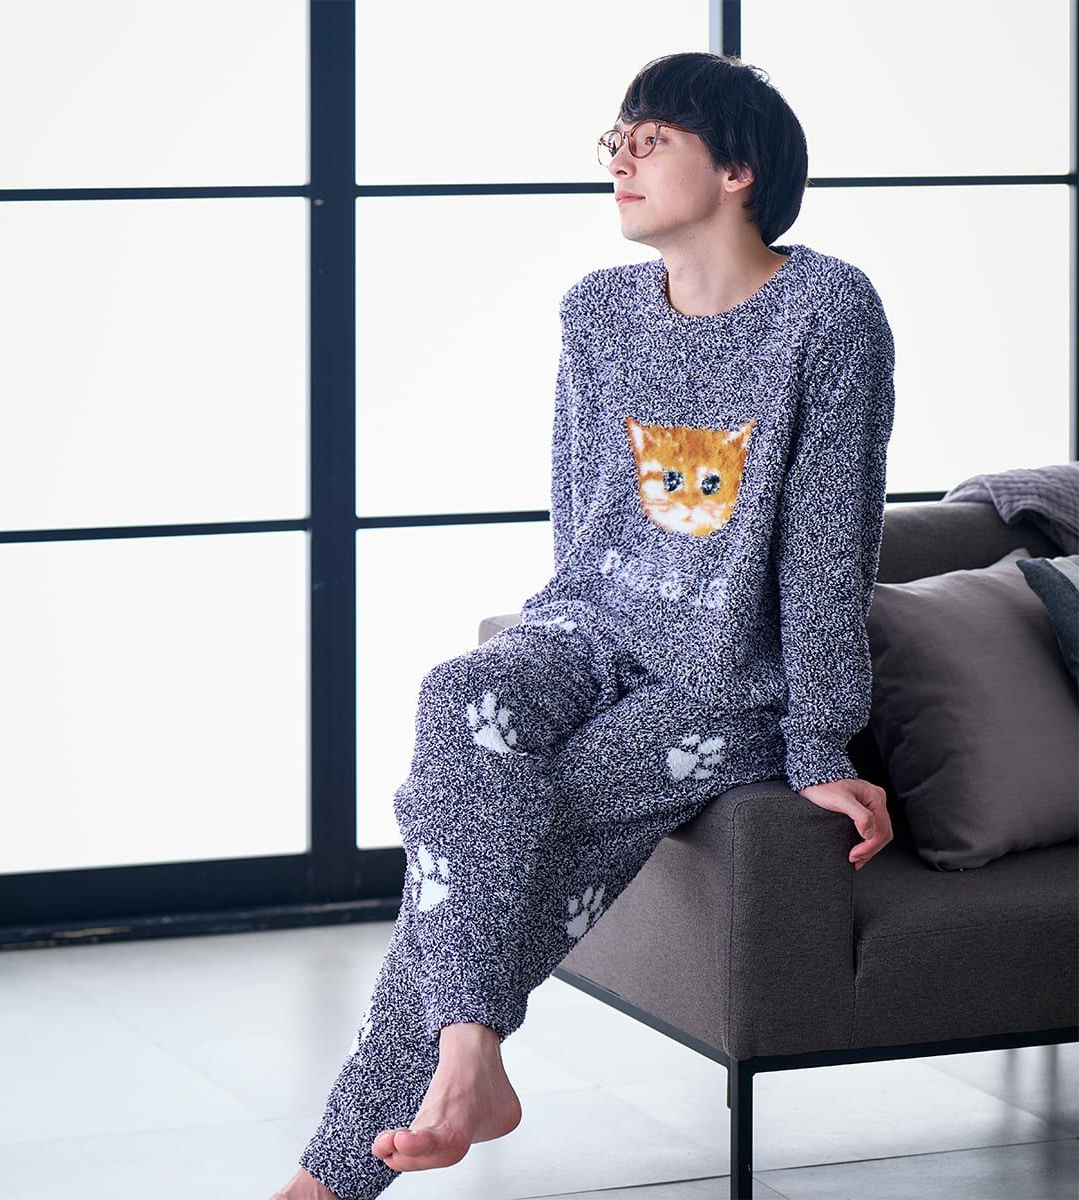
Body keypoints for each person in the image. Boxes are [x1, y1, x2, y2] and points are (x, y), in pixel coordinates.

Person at [271, 49, 896, 1200]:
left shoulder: (826, 311)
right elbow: (584, 507)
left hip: (723, 682)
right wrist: (563, 648)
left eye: (652, 139)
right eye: (616, 138)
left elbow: (828, 543)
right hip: (594, 627)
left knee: (506, 838)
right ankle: (470, 1055)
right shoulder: (598, 310)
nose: (620, 159)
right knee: (459, 697)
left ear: (739, 170)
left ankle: (329, 1180)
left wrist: (818, 742)